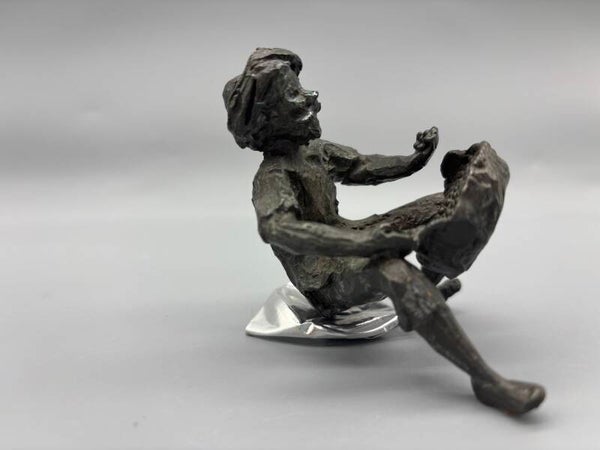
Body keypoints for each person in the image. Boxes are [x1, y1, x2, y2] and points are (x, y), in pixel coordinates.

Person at [223, 48, 545, 415]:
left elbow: (362, 166)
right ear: (269, 117)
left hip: (353, 235)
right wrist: (364, 242)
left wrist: (413, 160)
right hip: (325, 279)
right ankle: (484, 378)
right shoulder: (273, 177)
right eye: (294, 94)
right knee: (393, 271)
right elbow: (278, 227)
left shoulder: (316, 152)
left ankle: (427, 286)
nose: (311, 97)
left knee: (446, 206)